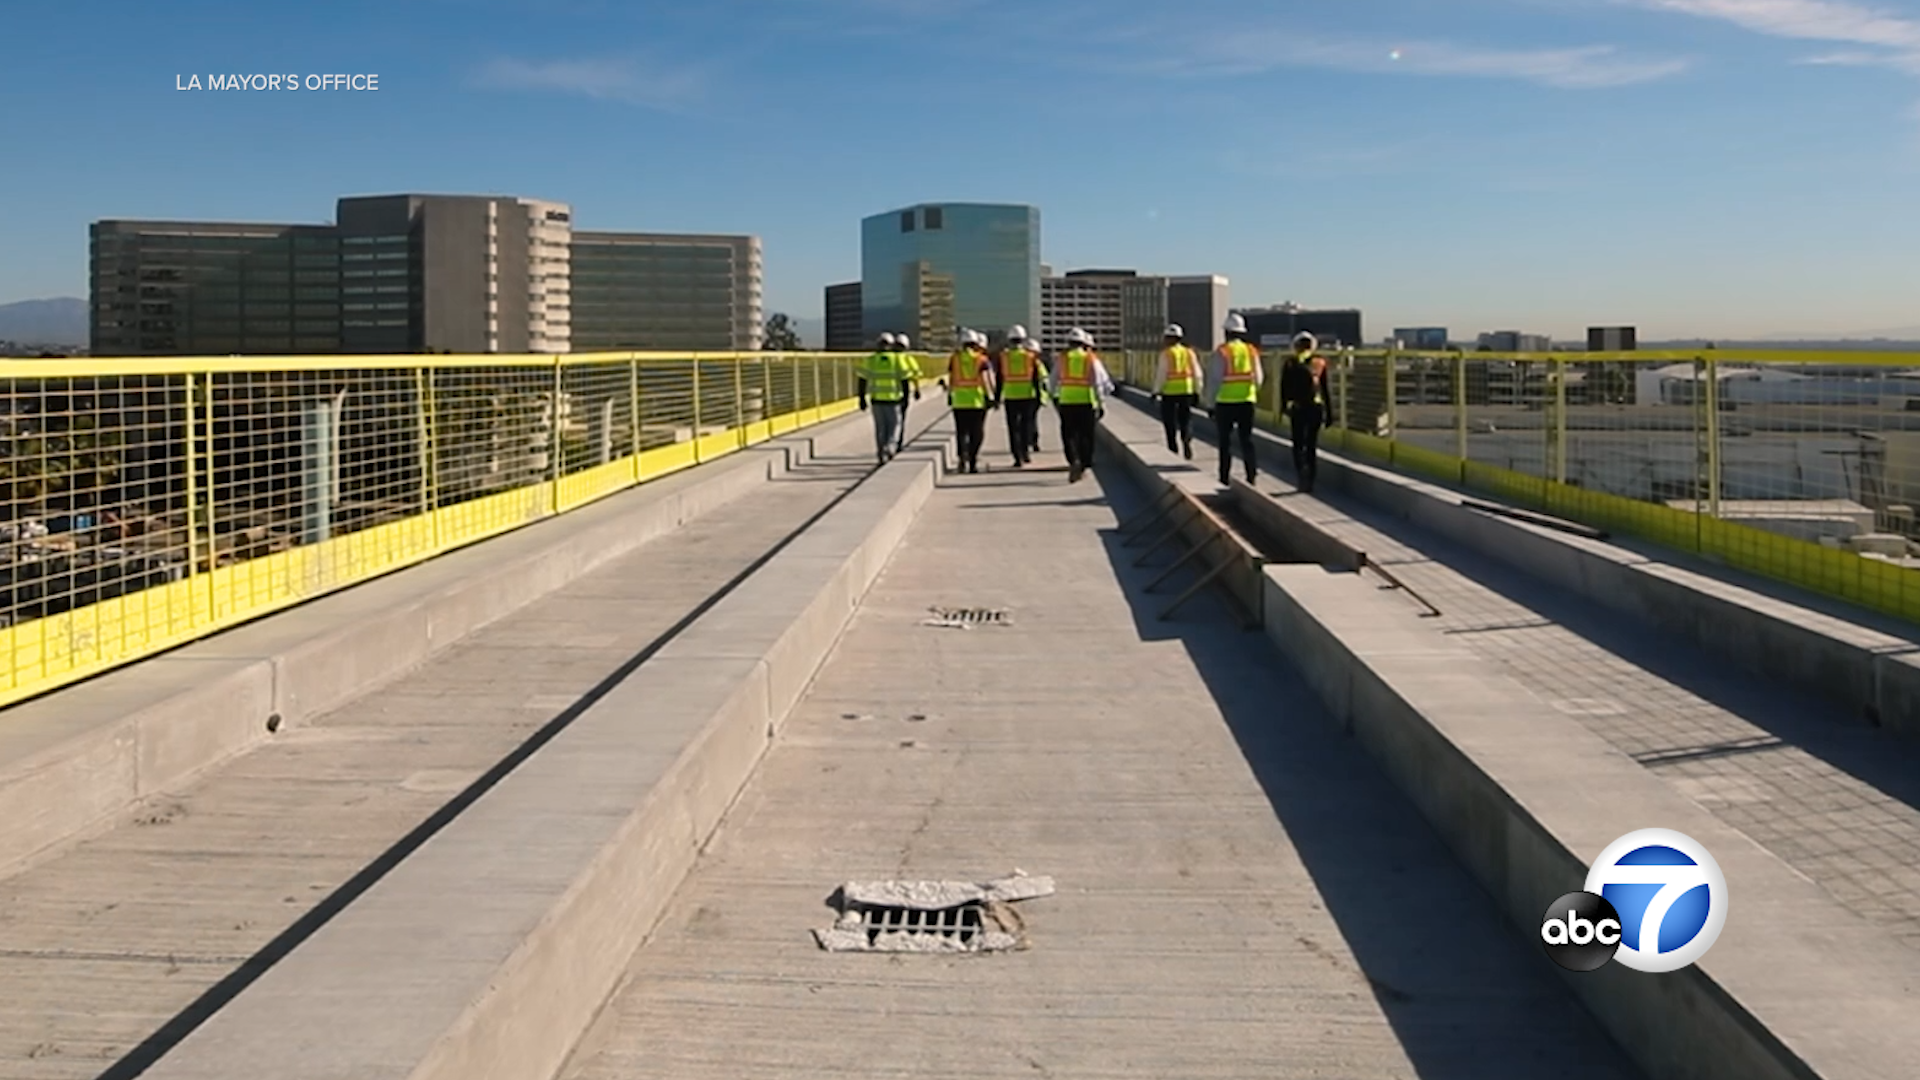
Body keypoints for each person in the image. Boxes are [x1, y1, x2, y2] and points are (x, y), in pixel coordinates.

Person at [1204, 312, 1263, 486]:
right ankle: (1251, 475)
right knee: (1247, 440)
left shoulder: (1222, 352)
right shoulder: (1251, 351)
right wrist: (1251, 392)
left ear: (1227, 332)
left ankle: (1224, 477)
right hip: (1246, 401)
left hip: (1225, 403)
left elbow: (1214, 380)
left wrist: (1210, 404)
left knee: (1225, 442)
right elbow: (1259, 378)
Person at [1049, 327, 1113, 484]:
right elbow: (1097, 382)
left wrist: (1053, 396)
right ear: (1084, 342)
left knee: (1068, 434)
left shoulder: (1062, 358)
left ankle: (1073, 460)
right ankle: (1084, 463)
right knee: (1086, 435)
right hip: (1086, 401)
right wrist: (1101, 402)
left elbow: (1053, 380)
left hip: (1067, 401)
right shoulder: (1090, 359)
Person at [1279, 331, 1334, 492]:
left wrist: (1283, 407)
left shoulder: (1290, 363)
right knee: (1311, 445)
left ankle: (1301, 473)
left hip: (1298, 408)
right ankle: (1310, 479)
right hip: (1316, 408)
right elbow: (1325, 390)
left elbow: (1284, 389)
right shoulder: (1319, 362)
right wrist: (1330, 413)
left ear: (1296, 346)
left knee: (1298, 444)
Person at [946, 329, 998, 473]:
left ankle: (962, 458)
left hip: (959, 401)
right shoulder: (981, 359)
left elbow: (951, 378)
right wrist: (991, 397)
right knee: (977, 432)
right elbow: (987, 380)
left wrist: (950, 395)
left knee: (961, 432)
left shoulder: (954, 358)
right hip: (977, 401)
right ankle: (973, 461)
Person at [994, 324, 1045, 467]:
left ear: (1009, 339)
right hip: (1028, 395)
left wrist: (997, 398)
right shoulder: (1030, 356)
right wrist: (1040, 395)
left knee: (1013, 427)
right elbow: (1036, 378)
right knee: (1026, 425)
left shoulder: (1003, 357)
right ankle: (1025, 453)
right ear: (1023, 339)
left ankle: (1017, 457)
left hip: (1010, 396)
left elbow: (1000, 379)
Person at [857, 332, 913, 464]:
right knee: (895, 426)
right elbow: (905, 380)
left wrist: (861, 398)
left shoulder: (871, 360)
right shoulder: (897, 360)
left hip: (877, 400)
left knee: (880, 428)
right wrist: (906, 398)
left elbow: (862, 379)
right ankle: (890, 446)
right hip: (894, 400)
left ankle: (881, 452)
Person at [1153, 323, 1202, 460]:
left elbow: (1161, 374)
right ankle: (1186, 439)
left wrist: (1155, 391)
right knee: (1185, 420)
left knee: (1170, 423)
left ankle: (1172, 448)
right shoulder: (1189, 352)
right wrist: (1197, 391)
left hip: (1169, 393)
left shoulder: (1166, 353)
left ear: (1169, 338)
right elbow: (1197, 373)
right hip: (1186, 391)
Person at [893, 332, 922, 454]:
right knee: (901, 419)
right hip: (903, 392)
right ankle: (898, 443)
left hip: (889, 392)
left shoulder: (890, 358)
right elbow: (915, 375)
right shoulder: (908, 359)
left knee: (891, 420)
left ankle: (890, 443)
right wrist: (917, 389)